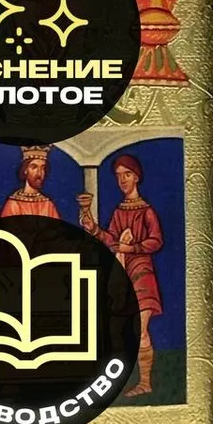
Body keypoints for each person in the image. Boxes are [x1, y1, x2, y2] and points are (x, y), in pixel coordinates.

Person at [80, 153, 163, 397]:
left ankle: (145, 383)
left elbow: (156, 240)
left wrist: (132, 248)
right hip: (123, 273)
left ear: (136, 177)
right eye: (118, 176)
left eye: (127, 175)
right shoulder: (119, 211)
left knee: (141, 330)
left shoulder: (146, 211)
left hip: (142, 275)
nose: (122, 180)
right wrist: (93, 228)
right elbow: (111, 240)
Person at [0, 145, 60, 219]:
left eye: (43, 168)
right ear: (25, 170)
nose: (39, 173)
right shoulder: (13, 204)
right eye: (34, 167)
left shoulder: (48, 205)